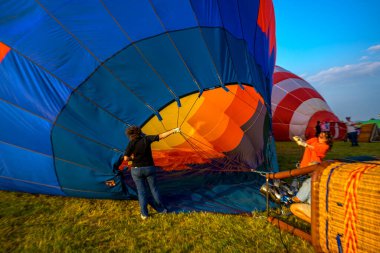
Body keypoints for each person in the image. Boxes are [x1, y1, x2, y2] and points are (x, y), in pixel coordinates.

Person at [124, 125, 180, 220]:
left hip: (136, 170)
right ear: (139, 132)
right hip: (149, 168)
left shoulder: (131, 143)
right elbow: (161, 136)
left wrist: (132, 158)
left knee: (142, 192)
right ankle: (162, 210)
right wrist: (174, 130)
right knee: (154, 189)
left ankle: (144, 214)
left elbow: (126, 158)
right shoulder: (146, 139)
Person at [290, 131, 333, 223]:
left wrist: (304, 144)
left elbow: (314, 148)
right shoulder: (314, 139)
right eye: (321, 134)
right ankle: (292, 196)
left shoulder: (326, 146)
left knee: (309, 182)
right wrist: (300, 140)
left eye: (324, 136)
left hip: (313, 166)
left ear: (327, 139)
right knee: (297, 180)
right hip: (304, 164)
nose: (321, 136)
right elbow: (305, 143)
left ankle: (299, 199)